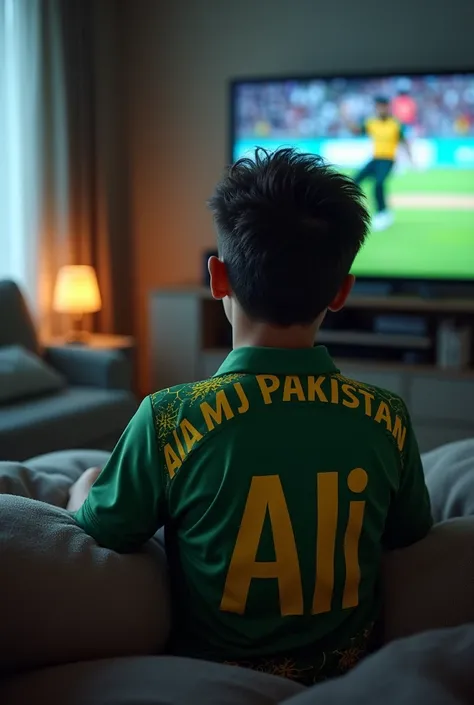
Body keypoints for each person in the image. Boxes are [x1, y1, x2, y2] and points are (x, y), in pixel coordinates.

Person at [69, 148, 432, 686]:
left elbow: (100, 530)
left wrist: (83, 487)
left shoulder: (166, 417)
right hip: (351, 681)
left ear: (218, 278)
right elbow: (410, 535)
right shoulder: (388, 417)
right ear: (341, 292)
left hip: (209, 682)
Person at [344, 96, 412, 231]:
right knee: (354, 181)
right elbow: (356, 131)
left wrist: (411, 158)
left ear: (388, 107)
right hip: (375, 159)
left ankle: (383, 213)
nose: (381, 109)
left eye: (383, 106)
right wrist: (346, 118)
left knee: (379, 183)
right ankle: (347, 211)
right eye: (378, 106)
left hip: (388, 160)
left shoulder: (395, 124)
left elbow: (404, 141)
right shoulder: (371, 122)